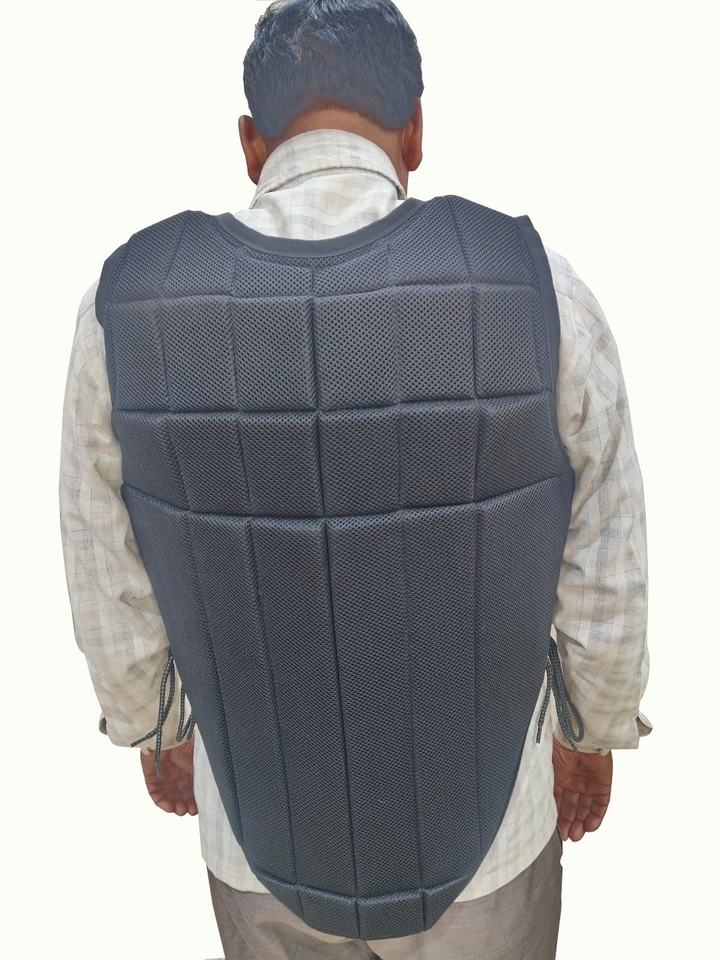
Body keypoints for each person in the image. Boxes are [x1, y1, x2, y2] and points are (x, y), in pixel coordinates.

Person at [58, 2, 652, 958]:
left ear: (251, 143)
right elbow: (606, 543)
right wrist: (594, 730)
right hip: (492, 841)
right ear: (415, 131)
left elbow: (102, 556)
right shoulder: (536, 284)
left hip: (253, 835)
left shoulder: (122, 306)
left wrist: (153, 726)